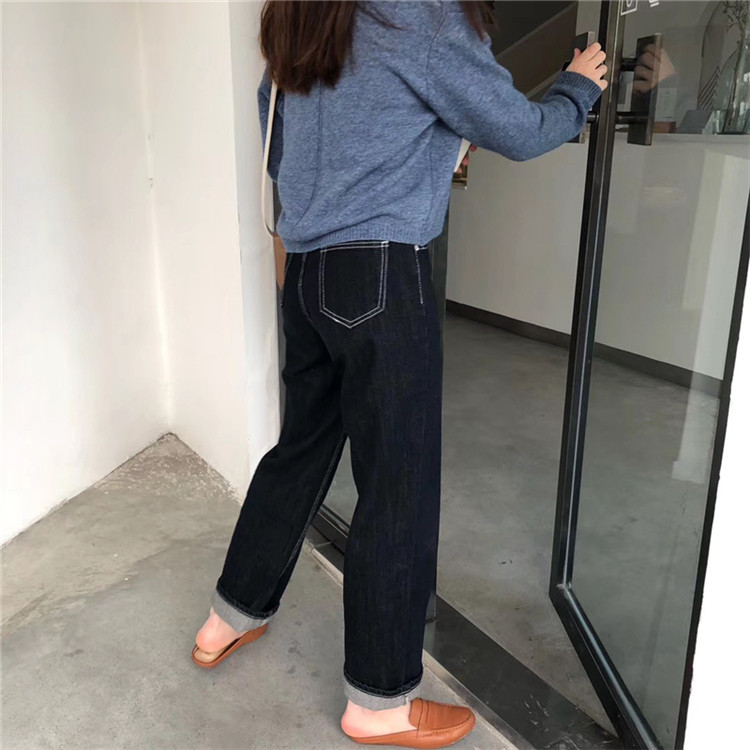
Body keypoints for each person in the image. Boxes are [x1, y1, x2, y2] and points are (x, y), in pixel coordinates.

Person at [193, 2, 607, 747]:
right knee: (397, 483)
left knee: (301, 451)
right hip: (381, 272)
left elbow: (279, 140)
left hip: (307, 271)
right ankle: (378, 700)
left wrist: (402, 157)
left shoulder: (300, 13)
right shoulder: (421, 13)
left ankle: (228, 617)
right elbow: (519, 130)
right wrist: (579, 87)